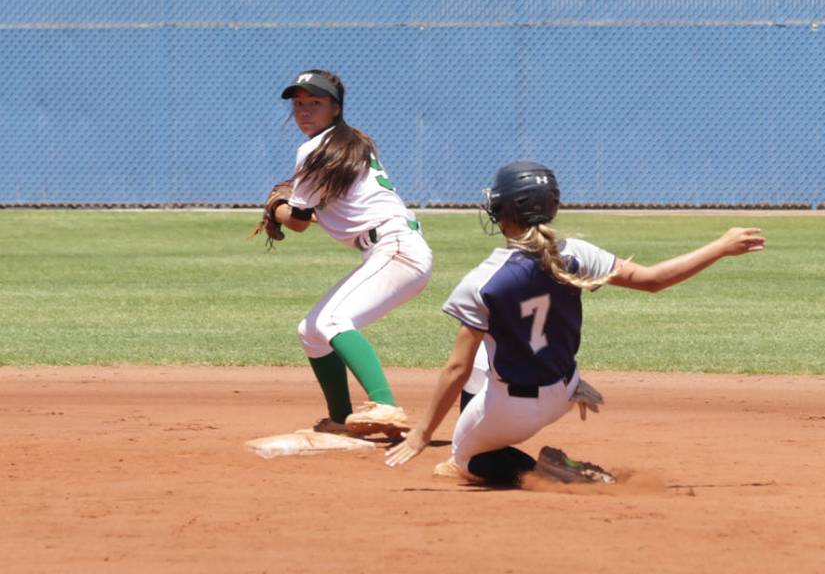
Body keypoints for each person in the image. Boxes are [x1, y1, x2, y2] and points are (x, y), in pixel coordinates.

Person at [385, 160, 765, 485]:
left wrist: (421, 434)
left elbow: (455, 368)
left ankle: (545, 471)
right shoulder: (574, 254)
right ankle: (567, 388)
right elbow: (653, 280)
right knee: (487, 355)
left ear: (503, 212)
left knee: (466, 460)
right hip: (564, 389)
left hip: (514, 412)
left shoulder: (483, 281)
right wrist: (721, 246)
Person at [272, 69, 433, 437]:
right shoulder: (351, 143)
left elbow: (297, 222)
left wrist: (274, 210)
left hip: (394, 248)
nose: (304, 111)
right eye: (298, 103)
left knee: (333, 322)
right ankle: (341, 418)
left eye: (315, 103)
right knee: (311, 331)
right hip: (393, 249)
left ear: (335, 108)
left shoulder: (316, 149)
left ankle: (386, 405)